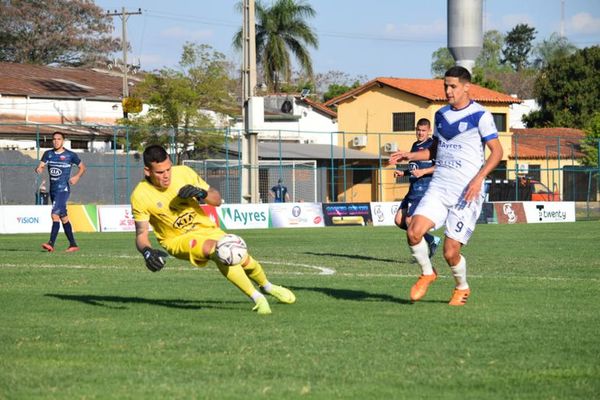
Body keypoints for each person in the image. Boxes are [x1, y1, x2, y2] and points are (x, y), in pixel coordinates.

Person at [130, 144, 296, 315]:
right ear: (147, 171)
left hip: (207, 228)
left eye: (168, 169)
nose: (166, 176)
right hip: (177, 239)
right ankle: (258, 298)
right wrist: (147, 252)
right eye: (159, 172)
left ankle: (267, 286)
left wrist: (201, 193)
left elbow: (216, 200)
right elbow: (141, 234)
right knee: (219, 251)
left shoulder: (184, 173)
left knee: (242, 257)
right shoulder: (140, 195)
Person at [389, 66, 503, 306]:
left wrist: (478, 179)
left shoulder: (480, 115)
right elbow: (434, 149)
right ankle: (428, 272)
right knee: (413, 231)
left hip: (467, 192)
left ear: (466, 87)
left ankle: (461, 287)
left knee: (450, 252)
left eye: (453, 86)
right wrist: (409, 155)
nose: (448, 91)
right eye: (445, 86)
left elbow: (497, 152)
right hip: (440, 185)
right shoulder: (440, 115)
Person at [393, 118, 440, 258]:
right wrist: (404, 172)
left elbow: (440, 167)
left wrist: (424, 172)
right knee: (399, 220)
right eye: (418, 130)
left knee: (410, 221)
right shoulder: (415, 145)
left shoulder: (432, 145)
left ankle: (422, 255)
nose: (420, 133)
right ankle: (431, 240)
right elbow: (416, 167)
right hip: (413, 189)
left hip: (424, 190)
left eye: (423, 130)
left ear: (429, 131)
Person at [35, 131, 86, 252]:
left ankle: (51, 243)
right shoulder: (48, 154)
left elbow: (82, 167)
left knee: (54, 215)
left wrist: (76, 176)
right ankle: (73, 244)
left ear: (63, 141)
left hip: (63, 190)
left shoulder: (70, 155)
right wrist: (39, 168)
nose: (56, 141)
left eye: (58, 139)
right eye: (54, 139)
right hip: (53, 190)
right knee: (64, 218)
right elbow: (41, 165)